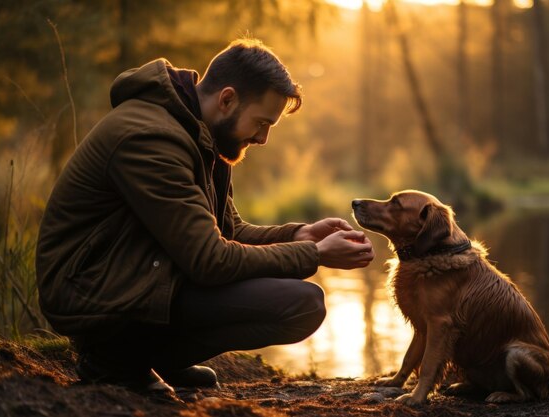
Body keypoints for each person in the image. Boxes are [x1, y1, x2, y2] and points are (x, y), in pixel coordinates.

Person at [35, 38, 374, 396]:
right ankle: (116, 359)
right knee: (300, 305)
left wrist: (300, 235)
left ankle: (152, 356)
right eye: (261, 122)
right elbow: (209, 260)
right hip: (90, 289)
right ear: (227, 99)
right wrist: (315, 255)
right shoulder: (152, 138)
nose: (262, 138)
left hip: (131, 273)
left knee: (304, 304)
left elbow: (229, 231)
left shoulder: (199, 132)